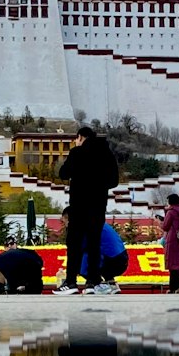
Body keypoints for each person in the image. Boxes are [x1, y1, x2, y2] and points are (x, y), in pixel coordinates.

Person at [57, 125, 119, 294]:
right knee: (94, 244)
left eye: (77, 139)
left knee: (75, 244)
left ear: (81, 137)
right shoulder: (107, 154)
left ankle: (71, 282)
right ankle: (93, 282)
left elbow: (63, 173)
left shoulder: (77, 153)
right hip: (98, 207)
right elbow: (114, 181)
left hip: (78, 206)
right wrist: (99, 187)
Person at [73, 223, 129, 288]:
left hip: (111, 261)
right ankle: (111, 283)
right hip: (122, 260)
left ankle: (97, 284)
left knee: (78, 263)